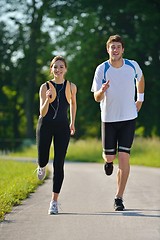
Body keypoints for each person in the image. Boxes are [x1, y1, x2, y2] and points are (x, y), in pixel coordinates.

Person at [91, 34, 145, 211]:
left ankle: (119, 197)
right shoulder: (102, 69)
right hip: (108, 119)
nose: (115, 50)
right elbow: (96, 98)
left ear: (123, 49)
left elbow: (141, 79)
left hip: (129, 117)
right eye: (112, 47)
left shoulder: (132, 65)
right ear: (108, 49)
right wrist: (102, 90)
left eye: (118, 47)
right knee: (110, 157)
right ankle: (107, 162)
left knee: (124, 157)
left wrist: (140, 99)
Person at [36, 56, 77, 214]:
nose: (58, 70)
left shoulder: (71, 87)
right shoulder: (44, 87)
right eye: (55, 67)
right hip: (45, 125)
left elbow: (73, 104)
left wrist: (72, 122)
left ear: (65, 69)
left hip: (62, 127)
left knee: (59, 164)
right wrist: (47, 99)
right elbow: (42, 112)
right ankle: (41, 166)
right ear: (51, 69)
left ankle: (54, 201)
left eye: (61, 67)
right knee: (43, 158)